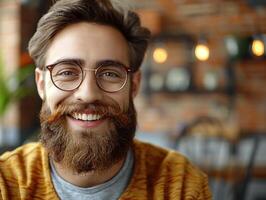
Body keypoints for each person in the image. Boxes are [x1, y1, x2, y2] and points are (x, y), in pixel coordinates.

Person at [0, 0, 211, 199]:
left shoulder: (180, 185)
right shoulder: (6, 183)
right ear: (41, 84)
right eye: (67, 72)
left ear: (134, 85)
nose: (88, 93)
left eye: (110, 73)